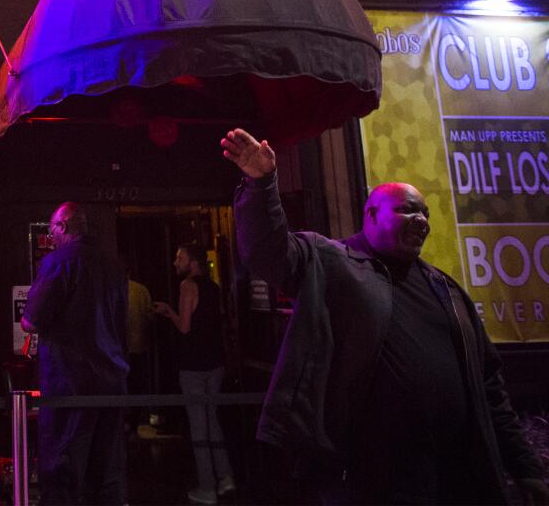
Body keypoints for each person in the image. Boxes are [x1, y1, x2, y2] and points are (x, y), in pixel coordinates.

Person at [222, 127, 548, 505]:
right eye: (407, 209)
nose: (421, 219)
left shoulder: (447, 290)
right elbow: (268, 250)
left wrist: (524, 467)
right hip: (373, 481)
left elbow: (489, 388)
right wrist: (261, 184)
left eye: (425, 212)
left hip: (459, 479)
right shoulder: (334, 263)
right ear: (371, 215)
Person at [21, 202, 129, 505]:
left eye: (53, 229)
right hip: (112, 381)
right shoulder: (114, 265)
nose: (51, 236)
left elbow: (31, 320)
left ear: (64, 227)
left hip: (70, 382)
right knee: (107, 468)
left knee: (63, 466)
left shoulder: (59, 262)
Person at [154, 243, 235, 504]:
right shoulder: (214, 288)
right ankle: (226, 478)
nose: (175, 263)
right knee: (213, 421)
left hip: (194, 365)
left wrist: (168, 312)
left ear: (193, 262)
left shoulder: (187, 286)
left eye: (180, 258)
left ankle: (207, 487)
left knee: (199, 425)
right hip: (216, 362)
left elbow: (185, 327)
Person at [124, 267, 155, 438]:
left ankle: (126, 422)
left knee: (125, 386)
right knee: (137, 385)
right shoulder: (141, 290)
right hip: (139, 346)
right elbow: (150, 316)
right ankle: (136, 422)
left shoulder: (114, 289)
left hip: (120, 349)